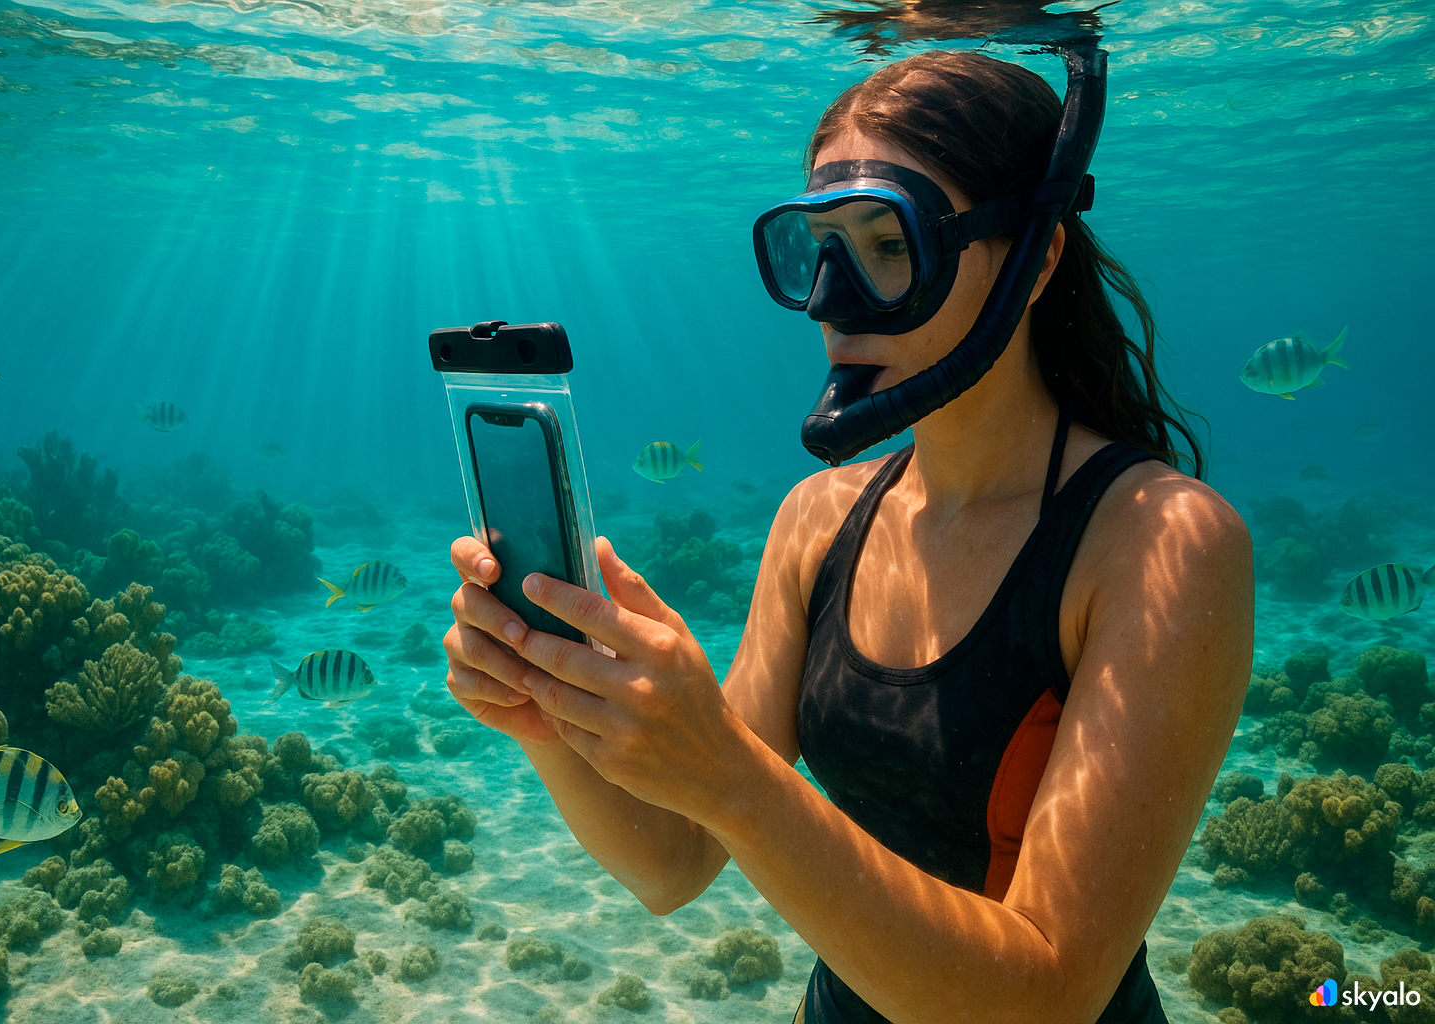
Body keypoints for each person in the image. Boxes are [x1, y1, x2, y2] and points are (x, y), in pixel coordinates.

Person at [443, 48, 1252, 1024]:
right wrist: (548, 710)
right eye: (815, 248)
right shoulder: (816, 519)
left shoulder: (1162, 541)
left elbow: (1052, 995)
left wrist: (732, 776)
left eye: (888, 244)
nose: (831, 298)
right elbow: (674, 860)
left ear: (1035, 259)